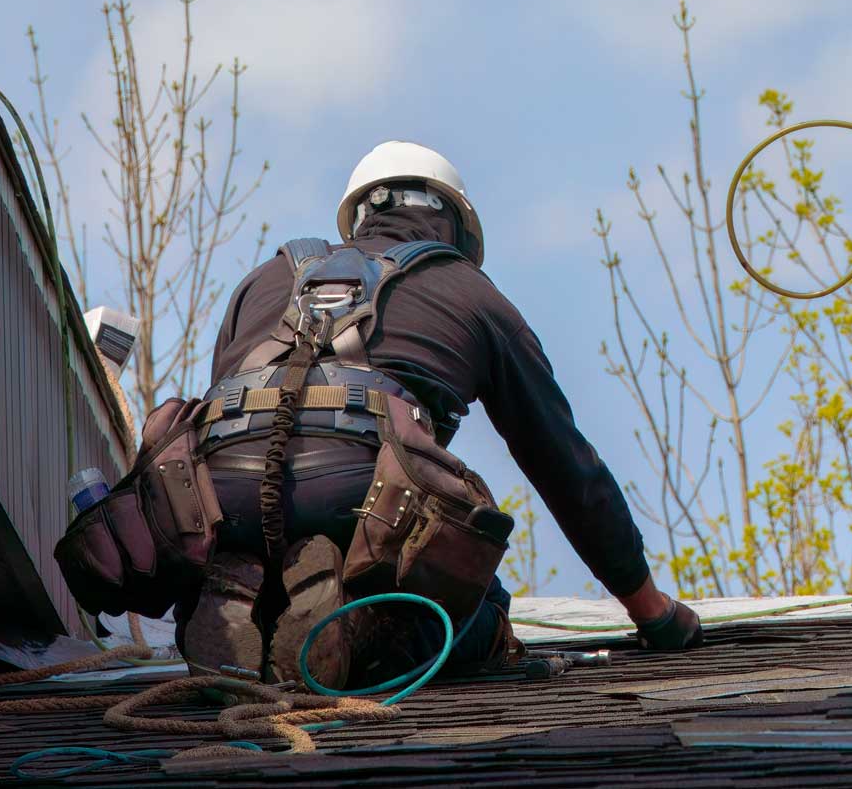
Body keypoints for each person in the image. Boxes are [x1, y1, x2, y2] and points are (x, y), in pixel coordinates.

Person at [178, 140, 702, 684]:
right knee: (478, 609)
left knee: (258, 548)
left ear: (359, 216)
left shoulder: (262, 279)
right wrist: (651, 609)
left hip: (226, 495)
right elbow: (564, 466)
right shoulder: (471, 292)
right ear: (452, 224)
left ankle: (241, 606)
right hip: (358, 492)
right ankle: (356, 632)